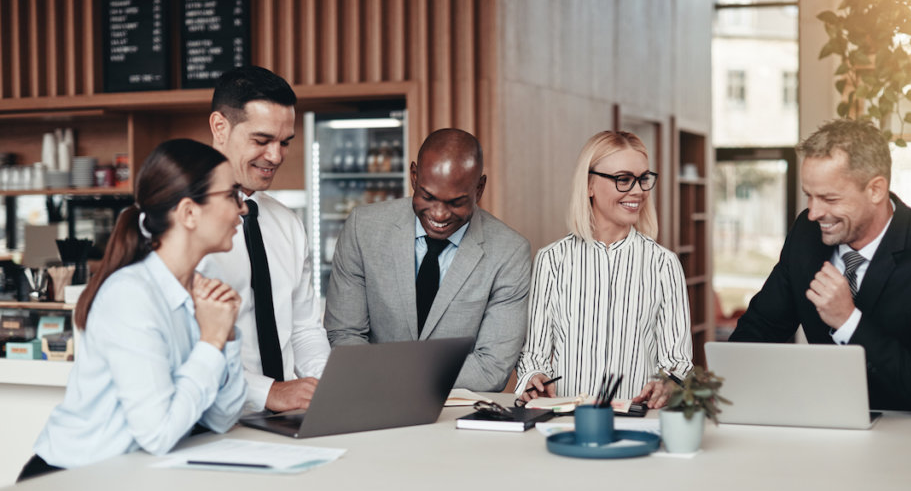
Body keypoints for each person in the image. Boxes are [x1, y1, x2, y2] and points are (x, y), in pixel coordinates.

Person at [19, 139, 248, 482]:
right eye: (232, 195)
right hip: (67, 483)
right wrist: (212, 340)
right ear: (188, 212)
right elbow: (158, 434)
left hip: (130, 476)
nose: (243, 208)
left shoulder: (207, 282)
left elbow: (221, 417)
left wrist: (226, 336)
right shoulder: (131, 296)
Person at [730, 119, 911, 415]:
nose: (813, 213)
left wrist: (848, 321)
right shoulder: (806, 235)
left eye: (829, 198)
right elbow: (761, 328)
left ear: (876, 190)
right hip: (829, 423)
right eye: (809, 195)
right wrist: (695, 386)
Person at [325, 128, 531, 391]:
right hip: (372, 402)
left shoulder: (509, 252)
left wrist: (392, 375)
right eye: (428, 197)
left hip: (454, 419)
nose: (439, 214)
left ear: (479, 188)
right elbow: (344, 334)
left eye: (456, 202)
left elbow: (491, 368)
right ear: (414, 176)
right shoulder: (363, 228)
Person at [514, 131, 693, 408]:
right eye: (623, 179)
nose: (638, 191)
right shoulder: (551, 260)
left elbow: (678, 361)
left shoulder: (663, 265)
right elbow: (534, 354)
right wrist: (533, 378)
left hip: (638, 420)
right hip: (567, 419)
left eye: (643, 179)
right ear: (589, 185)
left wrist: (669, 382)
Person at [198, 65, 330, 413]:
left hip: (285, 422)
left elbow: (303, 328)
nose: (275, 156)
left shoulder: (287, 223)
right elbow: (182, 347)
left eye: (284, 142)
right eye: (261, 140)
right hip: (213, 418)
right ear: (219, 127)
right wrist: (268, 392)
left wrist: (325, 385)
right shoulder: (180, 222)